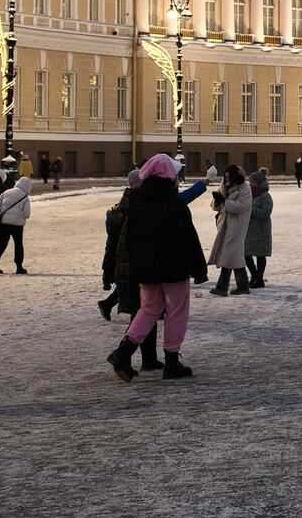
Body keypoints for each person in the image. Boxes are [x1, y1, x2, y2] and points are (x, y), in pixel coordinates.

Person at [107, 154, 208, 381]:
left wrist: (133, 268)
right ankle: (171, 363)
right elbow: (189, 239)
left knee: (148, 309)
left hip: (146, 270)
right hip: (174, 269)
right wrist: (199, 270)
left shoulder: (137, 202)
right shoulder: (175, 204)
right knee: (177, 311)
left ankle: (123, 353)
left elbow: (128, 239)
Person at [98, 170, 162, 371]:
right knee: (144, 314)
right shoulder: (139, 207)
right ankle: (123, 355)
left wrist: (107, 270)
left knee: (143, 312)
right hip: (137, 267)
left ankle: (148, 359)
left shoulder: (119, 208)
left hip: (122, 268)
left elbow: (111, 244)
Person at [206, 166, 253, 295]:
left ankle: (223, 287)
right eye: (225, 177)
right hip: (225, 223)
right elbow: (215, 206)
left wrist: (224, 202)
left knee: (231, 254)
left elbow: (240, 207)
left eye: (228, 177)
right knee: (233, 255)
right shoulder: (224, 185)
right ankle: (241, 286)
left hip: (237, 225)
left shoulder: (245, 188)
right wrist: (216, 200)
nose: (226, 179)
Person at [0, 171, 32, 274]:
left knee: (2, 244)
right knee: (18, 244)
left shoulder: (7, 192)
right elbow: (27, 214)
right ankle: (19, 267)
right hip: (18, 225)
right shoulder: (25, 197)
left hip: (4, 223)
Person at [245, 169, 273, 288]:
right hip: (249, 230)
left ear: (260, 183)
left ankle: (259, 278)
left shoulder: (265, 196)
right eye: (250, 182)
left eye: (253, 182)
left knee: (260, 255)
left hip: (261, 230)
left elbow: (266, 213)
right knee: (246, 254)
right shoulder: (248, 195)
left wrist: (250, 210)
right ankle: (254, 275)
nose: (251, 185)